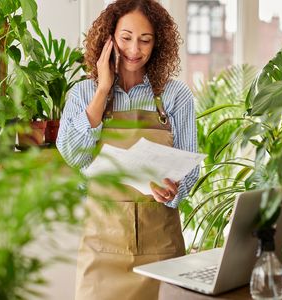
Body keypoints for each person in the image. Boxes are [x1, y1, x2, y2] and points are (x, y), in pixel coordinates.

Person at [56, 0, 199, 299]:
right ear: (108, 39)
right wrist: (103, 89)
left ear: (158, 43)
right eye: (126, 38)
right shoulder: (83, 93)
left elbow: (190, 168)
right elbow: (72, 154)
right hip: (101, 251)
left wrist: (175, 190)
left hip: (161, 251)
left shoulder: (175, 96)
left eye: (145, 40)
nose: (135, 49)